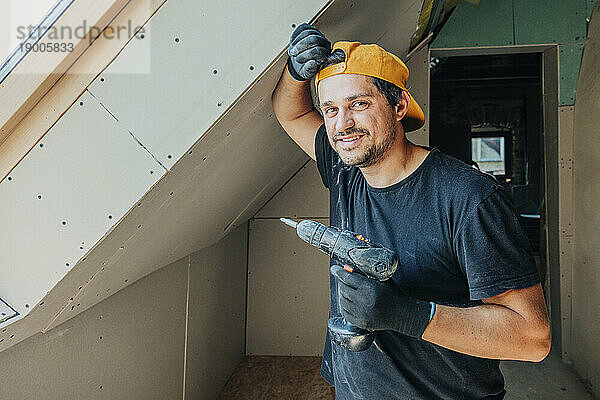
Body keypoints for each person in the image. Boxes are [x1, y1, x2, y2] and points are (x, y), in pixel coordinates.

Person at [271, 23, 551, 400]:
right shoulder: (345, 171)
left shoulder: (469, 199)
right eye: (330, 109)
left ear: (399, 105)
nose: (342, 124)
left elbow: (532, 339)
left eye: (359, 103)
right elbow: (289, 112)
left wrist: (409, 315)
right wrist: (295, 72)